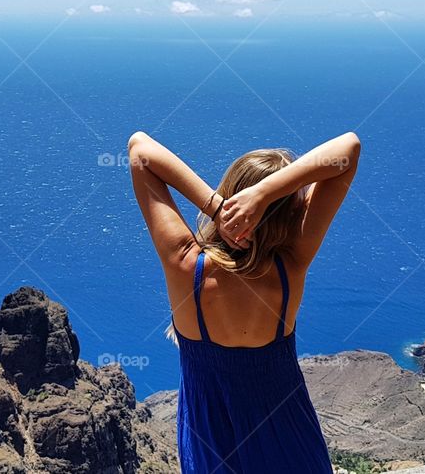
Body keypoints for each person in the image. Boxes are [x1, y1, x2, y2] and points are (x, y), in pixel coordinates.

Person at [127, 131, 361, 473]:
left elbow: (140, 148)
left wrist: (217, 206)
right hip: (293, 446)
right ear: (289, 216)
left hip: (212, 448)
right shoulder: (291, 265)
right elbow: (349, 150)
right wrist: (265, 195)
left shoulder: (184, 265)